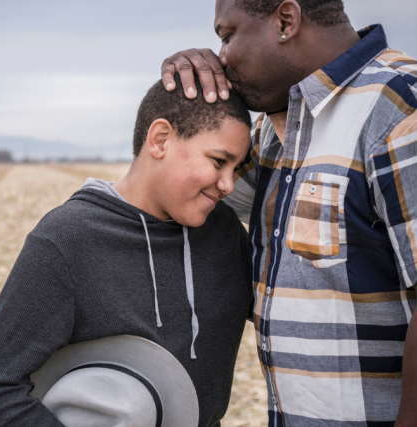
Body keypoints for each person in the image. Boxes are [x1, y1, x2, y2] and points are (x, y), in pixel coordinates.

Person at [160, 0, 417, 425]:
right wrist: (187, 97)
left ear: (285, 20)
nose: (221, 56)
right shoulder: (272, 129)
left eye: (226, 37)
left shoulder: (401, 108)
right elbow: (182, 196)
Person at [0, 75, 255, 427]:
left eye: (236, 168)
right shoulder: (68, 240)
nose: (228, 184)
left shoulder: (223, 233)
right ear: (160, 139)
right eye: (218, 161)